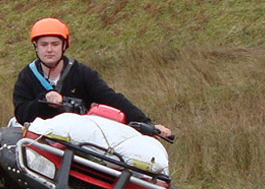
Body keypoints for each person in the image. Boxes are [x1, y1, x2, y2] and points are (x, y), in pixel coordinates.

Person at [12, 17, 172, 138]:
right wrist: (44, 100)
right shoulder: (27, 76)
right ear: (36, 47)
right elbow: (21, 113)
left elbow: (111, 98)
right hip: (39, 138)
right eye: (43, 44)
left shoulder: (81, 73)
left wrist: (146, 124)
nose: (49, 50)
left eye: (54, 44)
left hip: (76, 138)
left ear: (64, 46)